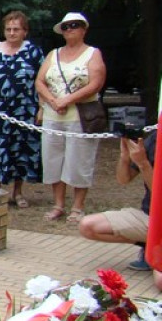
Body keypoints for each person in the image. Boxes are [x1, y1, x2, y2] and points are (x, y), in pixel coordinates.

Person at [35, 12, 106, 224]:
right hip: (53, 115)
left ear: (84, 29)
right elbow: (40, 81)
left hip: (81, 116)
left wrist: (68, 100)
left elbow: (96, 83)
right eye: (66, 26)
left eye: (75, 25)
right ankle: (58, 204)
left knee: (79, 160)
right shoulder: (53, 54)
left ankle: (77, 206)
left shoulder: (93, 54)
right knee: (53, 160)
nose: (70, 29)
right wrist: (53, 101)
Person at [0, 11, 44, 207]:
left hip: (24, 111)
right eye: (8, 29)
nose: (12, 33)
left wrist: (41, 109)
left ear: (24, 32)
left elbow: (42, 82)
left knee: (21, 150)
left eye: (16, 29)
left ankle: (17, 192)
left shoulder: (34, 52)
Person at [78, 132, 161, 284]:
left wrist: (143, 164)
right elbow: (123, 179)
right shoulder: (156, 138)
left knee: (160, 281)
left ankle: (154, 250)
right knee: (87, 226)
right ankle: (149, 246)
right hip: (151, 218)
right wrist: (125, 157)